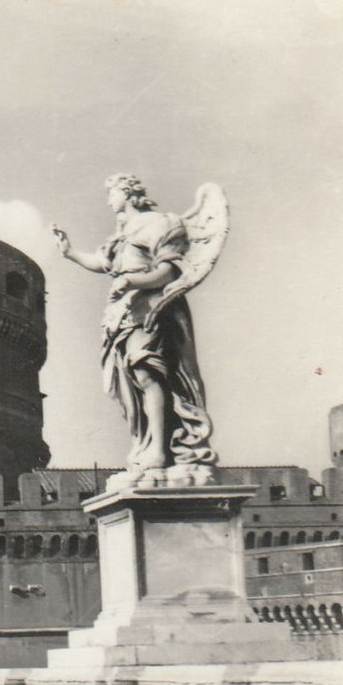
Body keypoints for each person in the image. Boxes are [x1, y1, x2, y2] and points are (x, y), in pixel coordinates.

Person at [52, 174, 227, 487]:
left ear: (129, 194)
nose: (109, 200)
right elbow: (104, 264)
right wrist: (70, 252)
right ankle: (147, 447)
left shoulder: (161, 224)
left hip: (152, 308)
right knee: (132, 384)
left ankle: (158, 452)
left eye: (113, 193)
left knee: (147, 374)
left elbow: (168, 271)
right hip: (123, 313)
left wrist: (133, 281)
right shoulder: (121, 234)